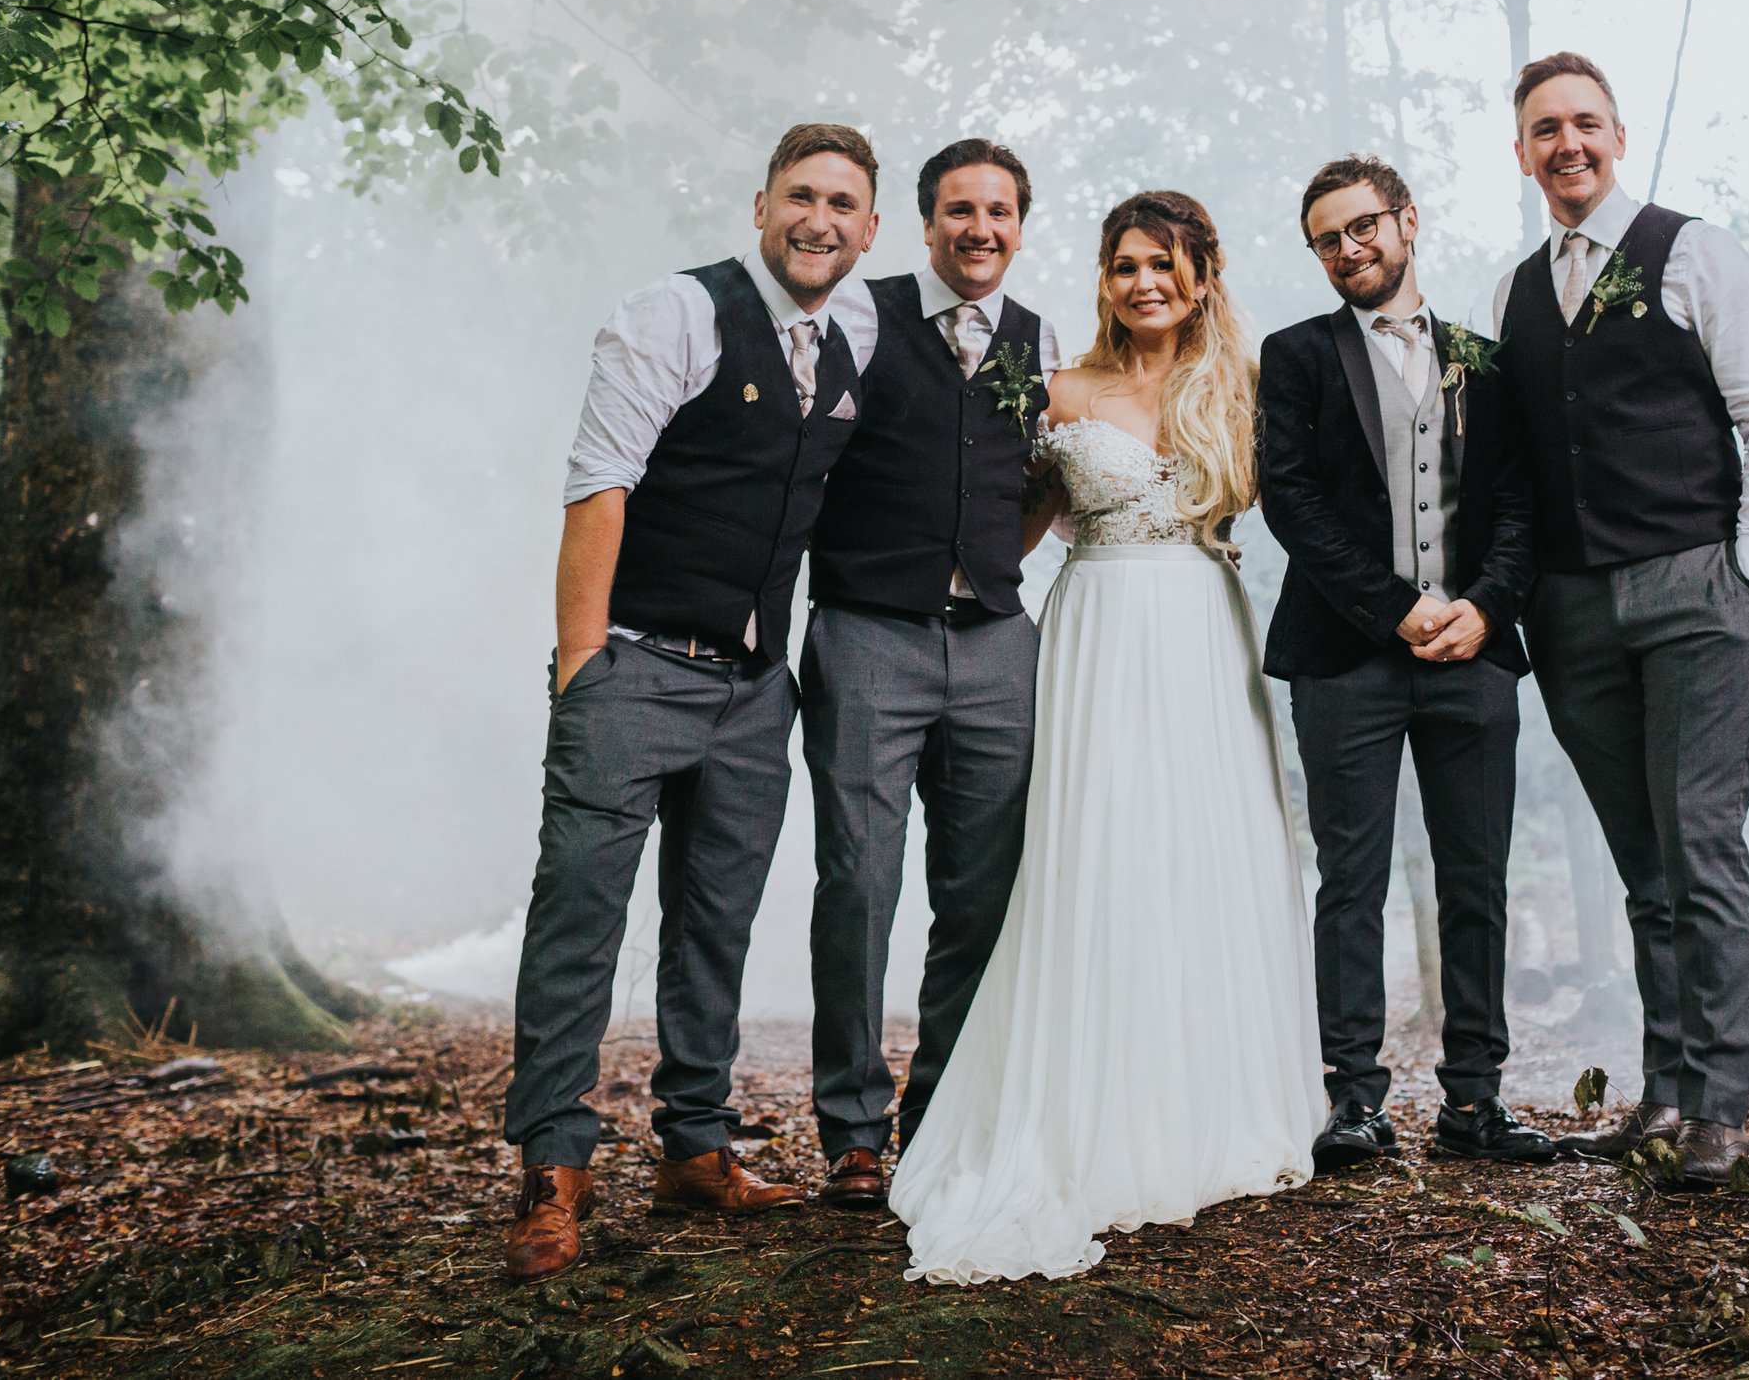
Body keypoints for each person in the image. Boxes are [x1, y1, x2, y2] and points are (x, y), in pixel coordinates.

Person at [887, 190, 1323, 1284]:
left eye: (1164, 266)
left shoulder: (1239, 387)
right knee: (1100, 849)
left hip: (1201, 633)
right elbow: (1002, 520)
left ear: (1200, 277)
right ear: (1103, 277)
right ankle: (1080, 1107)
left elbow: (1311, 502)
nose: (1143, 283)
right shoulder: (1059, 389)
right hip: (1095, 630)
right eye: (1125, 264)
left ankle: (1202, 1099)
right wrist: (927, 606)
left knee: (1203, 851)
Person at [501, 124, 883, 1283]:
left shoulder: (860, 329)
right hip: (632, 662)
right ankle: (552, 1172)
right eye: (802, 196)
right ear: (761, 205)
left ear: (871, 229)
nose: (821, 220)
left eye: (845, 204)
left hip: (754, 689)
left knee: (714, 922)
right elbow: (599, 486)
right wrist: (581, 665)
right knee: (580, 920)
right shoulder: (672, 312)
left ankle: (693, 1145)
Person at [1490, 52, 1749, 1184]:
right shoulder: (1518, 289)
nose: (1565, 143)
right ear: (1520, 150)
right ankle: (1665, 1093)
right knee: (1644, 863)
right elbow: (1521, 465)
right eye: (1543, 128)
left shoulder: (1693, 251)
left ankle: (1719, 1104)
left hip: (1692, 589)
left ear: (1615, 135)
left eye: (1584, 123)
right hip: (1573, 612)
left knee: (1701, 847)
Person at [1259, 155, 1553, 1171]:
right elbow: (1290, 502)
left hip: (1472, 654)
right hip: (1345, 658)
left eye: (1363, 227)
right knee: (1352, 877)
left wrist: (1483, 606)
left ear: (1407, 221)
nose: (1349, 248)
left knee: (1477, 875)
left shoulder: (1483, 353)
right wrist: (1396, 609)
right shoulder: (1295, 355)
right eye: (1328, 237)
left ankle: (1475, 1100)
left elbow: (1519, 501)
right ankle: (1354, 1100)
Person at [800, 139, 1064, 1210]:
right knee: (859, 882)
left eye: (999, 211)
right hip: (869, 632)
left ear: (1019, 223)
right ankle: (853, 1130)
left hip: (997, 640)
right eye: (960, 209)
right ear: (922, 222)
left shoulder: (1037, 339)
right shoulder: (863, 317)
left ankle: (943, 1110)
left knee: (982, 892)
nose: (981, 228)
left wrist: (1001, 558)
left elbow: (1036, 478)